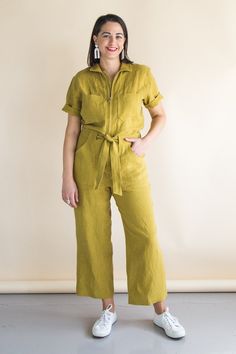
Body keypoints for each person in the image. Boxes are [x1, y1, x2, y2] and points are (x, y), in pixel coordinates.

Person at [61, 13, 186, 339]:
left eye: (118, 36)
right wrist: (66, 177)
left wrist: (144, 142)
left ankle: (162, 312)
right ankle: (107, 309)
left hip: (129, 164)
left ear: (124, 41)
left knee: (145, 235)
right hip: (88, 166)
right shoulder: (82, 80)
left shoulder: (141, 75)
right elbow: (72, 131)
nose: (112, 41)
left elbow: (159, 115)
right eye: (105, 35)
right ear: (95, 40)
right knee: (94, 237)